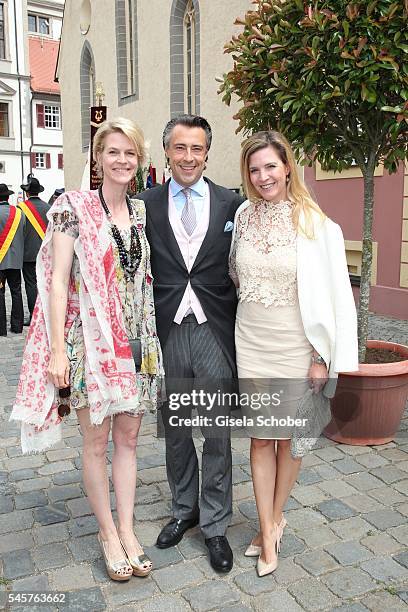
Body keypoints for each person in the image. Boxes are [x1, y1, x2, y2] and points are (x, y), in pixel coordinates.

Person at [11, 118, 164, 582]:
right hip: (90, 345)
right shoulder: (70, 206)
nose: (121, 160)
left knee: (130, 440)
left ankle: (128, 528)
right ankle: (107, 534)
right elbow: (56, 281)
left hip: (136, 341)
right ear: (98, 158)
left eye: (130, 153)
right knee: (96, 442)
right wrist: (58, 351)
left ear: (139, 161)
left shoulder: (140, 211)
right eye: (113, 152)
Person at [229, 130, 358, 577]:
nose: (263, 176)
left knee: (291, 438)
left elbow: (335, 294)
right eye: (254, 168)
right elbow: (234, 274)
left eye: (271, 166)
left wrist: (322, 356)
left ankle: (272, 524)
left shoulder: (316, 224)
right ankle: (269, 526)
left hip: (295, 344)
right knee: (261, 437)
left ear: (288, 167)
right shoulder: (243, 216)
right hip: (250, 340)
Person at [138, 114, 243, 573]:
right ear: (167, 152)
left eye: (196, 149)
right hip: (169, 330)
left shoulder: (231, 205)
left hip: (214, 328)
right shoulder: (146, 204)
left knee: (217, 432)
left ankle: (216, 524)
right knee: (177, 429)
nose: (188, 157)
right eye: (179, 148)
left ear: (207, 152)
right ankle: (185, 509)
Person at [19, 174, 51, 325]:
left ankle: (34, 316)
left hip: (28, 254)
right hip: (47, 254)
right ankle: (47, 313)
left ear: (27, 192)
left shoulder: (21, 209)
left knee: (31, 285)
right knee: (46, 284)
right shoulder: (49, 208)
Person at [0, 183, 25, 336]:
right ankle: (17, 326)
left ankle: (1, 328)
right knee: (16, 292)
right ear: (8, 197)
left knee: (0, 293)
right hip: (15, 261)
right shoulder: (19, 213)